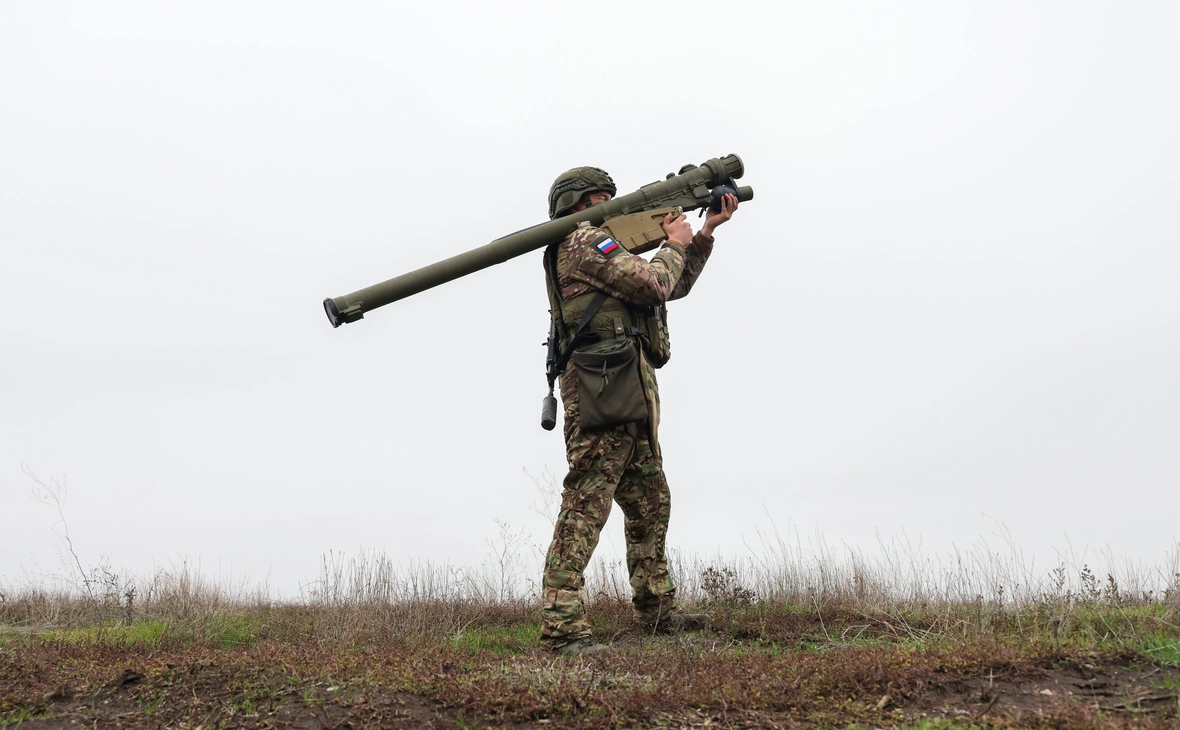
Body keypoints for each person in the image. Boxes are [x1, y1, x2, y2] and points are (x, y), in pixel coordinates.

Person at [540, 166, 739, 655]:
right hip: (599, 387)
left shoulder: (607, 245)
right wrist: (673, 241)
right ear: (575, 206)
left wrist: (705, 233)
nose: (608, 204)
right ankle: (562, 626)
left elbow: (672, 285)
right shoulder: (583, 244)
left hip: (628, 384)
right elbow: (654, 282)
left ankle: (656, 609)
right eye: (598, 198)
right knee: (586, 502)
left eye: (611, 196)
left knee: (651, 500)